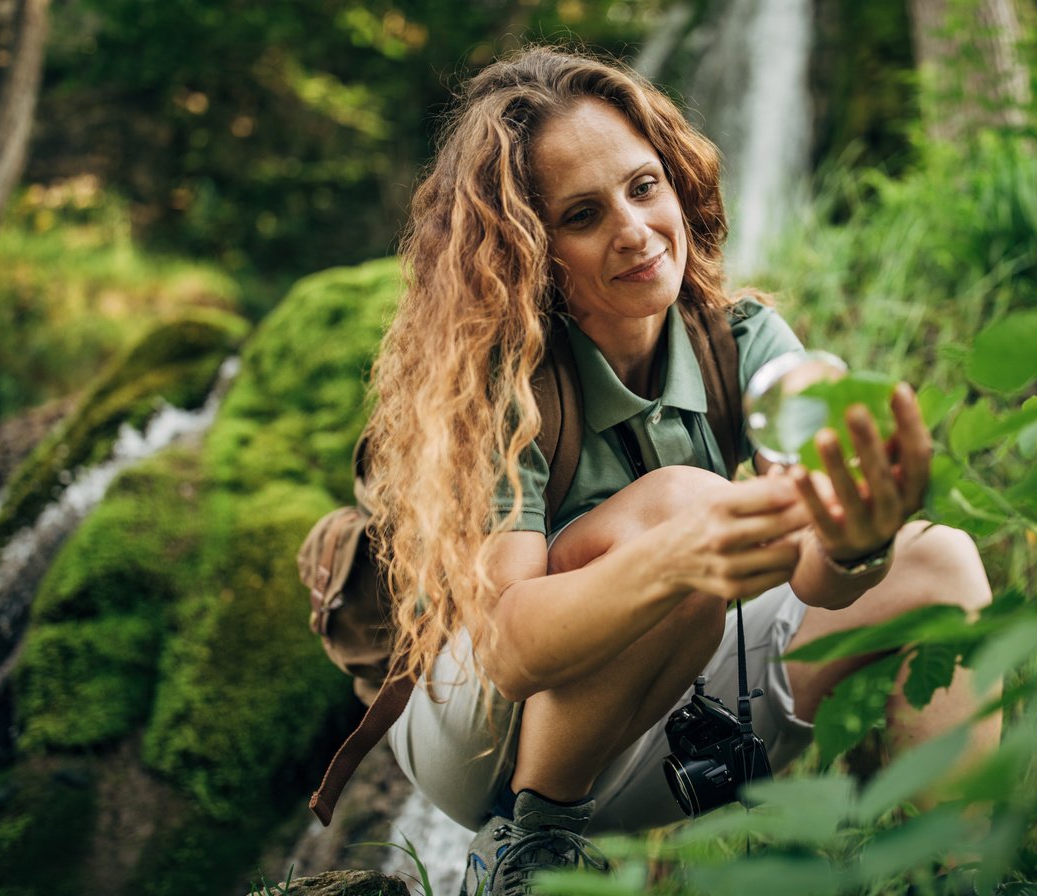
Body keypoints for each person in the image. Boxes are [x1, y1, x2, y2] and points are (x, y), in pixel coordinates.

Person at [364, 45, 998, 896]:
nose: (632, 230)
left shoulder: (738, 338)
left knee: (940, 561)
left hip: (666, 726)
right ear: (529, 249)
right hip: (482, 742)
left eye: (642, 186)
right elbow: (510, 652)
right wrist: (676, 557)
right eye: (582, 216)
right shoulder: (507, 383)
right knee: (684, 508)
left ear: (676, 180)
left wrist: (855, 536)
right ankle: (531, 848)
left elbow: (817, 554)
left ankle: (969, 877)